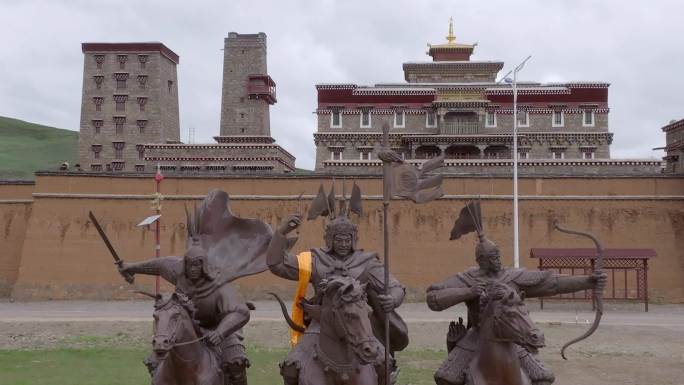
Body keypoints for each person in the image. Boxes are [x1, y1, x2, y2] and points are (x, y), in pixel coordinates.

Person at [426, 234, 607, 385]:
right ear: (481, 260)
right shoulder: (466, 278)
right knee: (447, 377)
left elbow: (552, 283)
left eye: (498, 256)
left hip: (512, 338)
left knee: (543, 377)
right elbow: (433, 298)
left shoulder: (512, 276)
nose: (497, 260)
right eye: (492, 257)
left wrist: (587, 281)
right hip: (476, 337)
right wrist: (468, 292)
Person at [267, 212, 408, 385]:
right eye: (338, 240)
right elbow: (277, 265)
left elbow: (394, 286)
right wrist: (281, 233)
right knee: (290, 365)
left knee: (385, 363)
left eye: (347, 240)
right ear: (329, 239)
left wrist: (393, 299)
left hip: (357, 324)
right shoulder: (314, 260)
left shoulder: (367, 263)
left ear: (353, 240)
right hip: (321, 324)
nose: (343, 244)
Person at [119, 239, 251, 385]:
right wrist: (130, 267)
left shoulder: (220, 285)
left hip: (219, 329)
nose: (193, 269)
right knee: (155, 360)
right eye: (189, 265)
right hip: (186, 328)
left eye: (197, 265)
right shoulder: (178, 272)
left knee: (236, 362)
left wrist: (220, 332)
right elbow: (158, 265)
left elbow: (241, 312)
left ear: (204, 265)